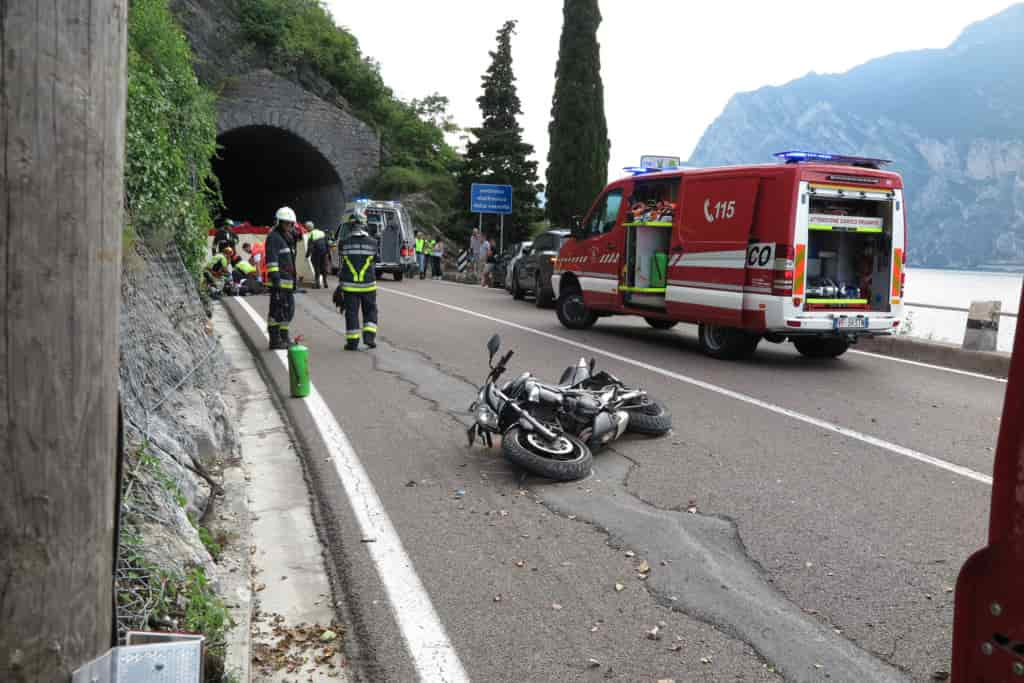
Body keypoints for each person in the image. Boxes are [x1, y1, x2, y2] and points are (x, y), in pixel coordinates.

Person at [339, 210, 379, 351]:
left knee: (351, 313)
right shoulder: (373, 243)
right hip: (368, 285)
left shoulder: (343, 243)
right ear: (364, 225)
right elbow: (376, 259)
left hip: (350, 286)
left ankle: (353, 343)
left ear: (350, 226)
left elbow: (342, 264)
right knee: (370, 311)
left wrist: (340, 285)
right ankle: (369, 338)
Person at [265, 207, 299, 350]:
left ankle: (284, 337)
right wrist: (276, 282)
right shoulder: (274, 238)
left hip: (288, 282)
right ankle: (274, 340)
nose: (289, 226)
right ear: (279, 222)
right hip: (279, 283)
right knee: (276, 312)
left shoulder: (287, 238)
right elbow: (272, 262)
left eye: (291, 223)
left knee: (288, 311)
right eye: (286, 223)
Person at [306, 221, 330, 289]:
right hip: (324, 251)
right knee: (324, 267)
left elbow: (310, 246)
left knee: (317, 267)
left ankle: (317, 284)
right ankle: (325, 282)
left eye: (307, 228)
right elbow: (326, 242)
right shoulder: (321, 232)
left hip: (316, 252)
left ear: (309, 228)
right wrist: (327, 253)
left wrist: (307, 255)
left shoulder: (311, 234)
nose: (306, 229)